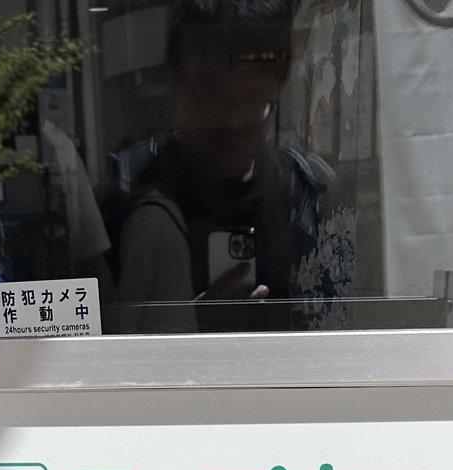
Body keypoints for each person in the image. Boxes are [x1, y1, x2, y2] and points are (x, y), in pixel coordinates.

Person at [114, 0, 348, 333]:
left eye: (251, 99)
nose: (232, 121)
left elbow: (337, 342)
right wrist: (188, 332)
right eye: (212, 98)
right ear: (177, 88)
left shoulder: (308, 196)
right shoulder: (129, 201)